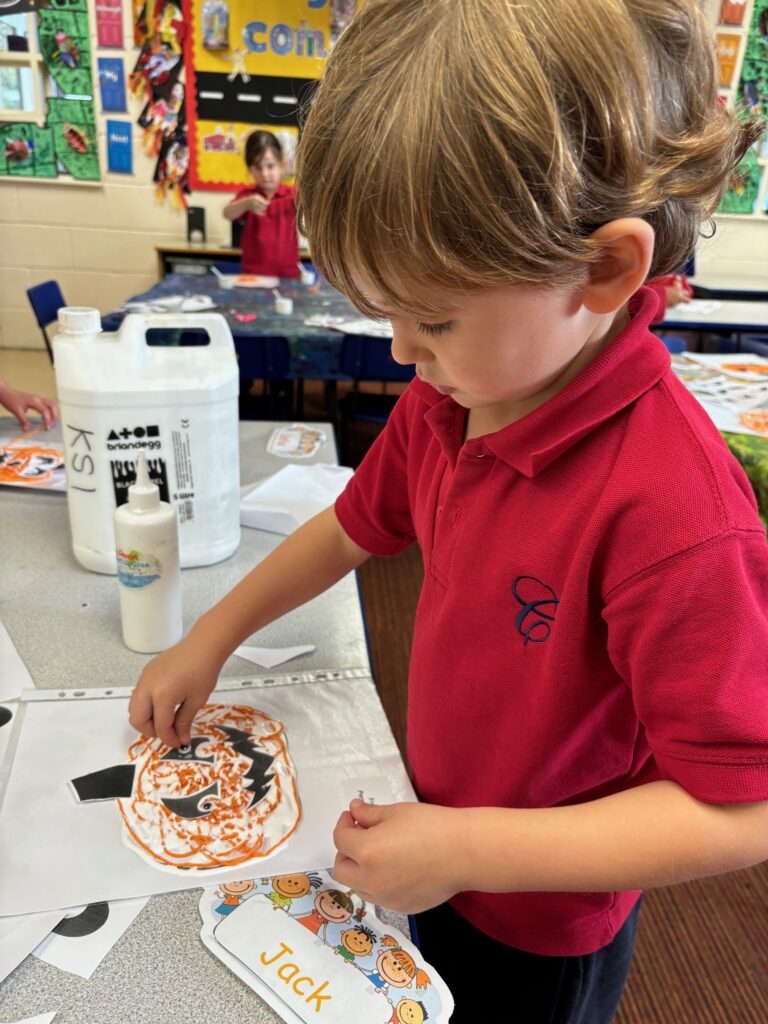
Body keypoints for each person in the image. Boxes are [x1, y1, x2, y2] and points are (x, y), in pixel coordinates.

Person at [130, 1, 768, 1020]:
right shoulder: (450, 400)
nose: (399, 352)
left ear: (604, 271)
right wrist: (211, 635)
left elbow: (739, 810)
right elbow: (350, 526)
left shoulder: (675, 512)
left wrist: (469, 845)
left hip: (538, 922)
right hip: (431, 852)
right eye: (386, 314)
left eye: (429, 317)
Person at [222, 129, 299, 278]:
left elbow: (312, 210)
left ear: (282, 165)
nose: (264, 174)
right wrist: (245, 204)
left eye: (270, 166)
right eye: (258, 168)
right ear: (251, 170)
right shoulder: (248, 196)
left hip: (288, 275)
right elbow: (227, 213)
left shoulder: (292, 195)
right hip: (253, 276)